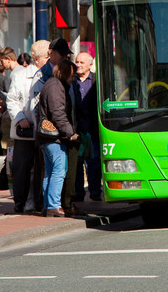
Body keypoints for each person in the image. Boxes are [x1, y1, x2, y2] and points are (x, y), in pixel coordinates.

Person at [6, 40, 50, 214]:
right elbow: (12, 100)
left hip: (44, 131)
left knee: (40, 170)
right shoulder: (21, 76)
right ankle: (21, 202)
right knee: (22, 169)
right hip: (25, 131)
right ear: (37, 58)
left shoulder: (50, 75)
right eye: (47, 57)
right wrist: (21, 118)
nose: (50, 60)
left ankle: (39, 202)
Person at [37, 59, 78, 217]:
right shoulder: (56, 86)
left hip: (46, 138)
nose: (73, 78)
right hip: (53, 138)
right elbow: (58, 113)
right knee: (59, 171)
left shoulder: (52, 84)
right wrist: (70, 132)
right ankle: (54, 205)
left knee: (49, 171)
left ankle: (48, 205)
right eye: (72, 75)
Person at [71, 51, 101, 203]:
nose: (78, 65)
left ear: (90, 64)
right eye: (77, 62)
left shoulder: (97, 81)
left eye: (82, 62)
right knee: (77, 163)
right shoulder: (71, 81)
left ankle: (95, 192)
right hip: (76, 129)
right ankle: (78, 193)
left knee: (94, 162)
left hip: (92, 129)